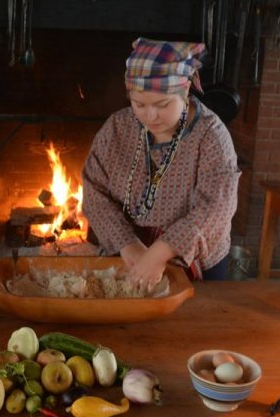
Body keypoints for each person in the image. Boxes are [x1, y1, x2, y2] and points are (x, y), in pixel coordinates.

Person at [82, 38, 240, 287]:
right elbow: (94, 192)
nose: (150, 115)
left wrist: (162, 251)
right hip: (130, 252)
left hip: (194, 262)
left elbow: (216, 208)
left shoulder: (212, 137)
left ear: (186, 89)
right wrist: (127, 243)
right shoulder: (116, 128)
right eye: (139, 104)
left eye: (162, 104)